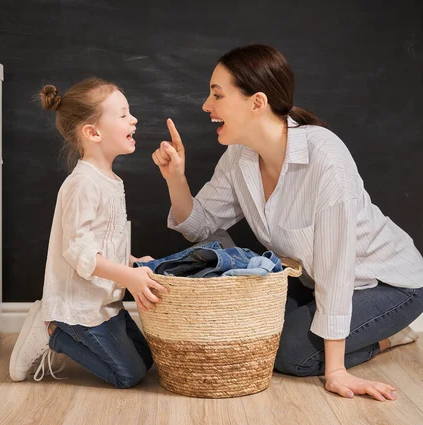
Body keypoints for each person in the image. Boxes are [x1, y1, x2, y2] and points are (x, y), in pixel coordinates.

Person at [151, 44, 423, 401]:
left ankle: (393, 334)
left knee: (290, 354)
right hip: (314, 280)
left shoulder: (324, 158)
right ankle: (354, 334)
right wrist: (176, 178)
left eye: (217, 94)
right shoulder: (239, 157)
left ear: (257, 102)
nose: (206, 105)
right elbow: (200, 226)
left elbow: (336, 268)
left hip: (388, 282)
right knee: (249, 328)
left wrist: (336, 371)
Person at [9, 77, 166, 388]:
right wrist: (127, 277)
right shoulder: (83, 184)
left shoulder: (111, 181)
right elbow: (79, 251)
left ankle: (70, 333)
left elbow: (103, 242)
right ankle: (52, 331)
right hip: (79, 306)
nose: (133, 119)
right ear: (93, 132)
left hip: (105, 301)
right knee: (129, 375)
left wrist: (131, 262)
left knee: (147, 361)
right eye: (123, 114)